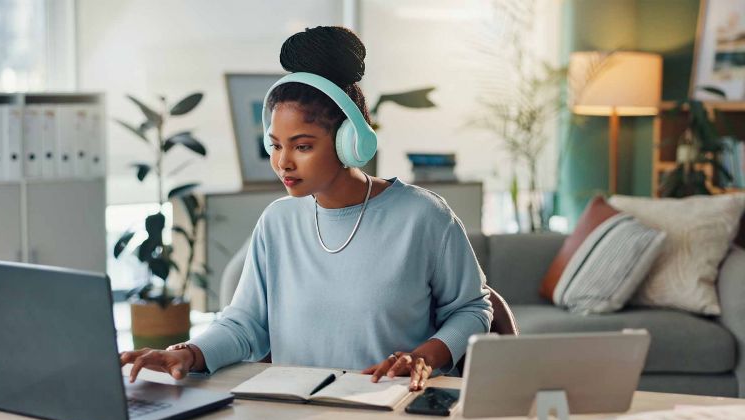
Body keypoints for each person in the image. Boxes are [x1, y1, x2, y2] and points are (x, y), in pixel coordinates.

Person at [120, 26, 492, 392]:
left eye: (301, 146)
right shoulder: (277, 223)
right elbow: (245, 323)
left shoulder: (423, 217)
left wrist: (424, 356)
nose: (283, 163)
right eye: (276, 145)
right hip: (296, 416)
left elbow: (473, 310)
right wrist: (188, 352)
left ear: (351, 142)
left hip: (390, 410)